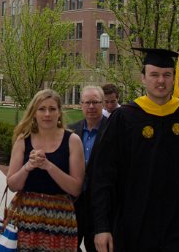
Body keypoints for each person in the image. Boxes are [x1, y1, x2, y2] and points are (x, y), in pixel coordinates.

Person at [91, 48, 179, 252]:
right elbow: (103, 175)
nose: (161, 81)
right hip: (136, 225)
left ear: (174, 78)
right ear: (143, 78)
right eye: (154, 74)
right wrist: (102, 225)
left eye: (167, 75)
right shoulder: (124, 118)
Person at [7, 89, 84, 251]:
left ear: (59, 113)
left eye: (52, 109)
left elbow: (76, 188)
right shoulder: (23, 140)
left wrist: (48, 166)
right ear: (34, 113)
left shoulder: (72, 141)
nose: (47, 114)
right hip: (25, 216)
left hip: (60, 218)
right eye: (42, 109)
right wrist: (28, 167)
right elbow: (12, 185)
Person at [67, 86, 108, 252]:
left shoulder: (112, 130)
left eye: (95, 102)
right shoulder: (70, 131)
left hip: (101, 204)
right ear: (81, 104)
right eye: (87, 102)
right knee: (69, 245)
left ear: (103, 103)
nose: (91, 106)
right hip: (75, 202)